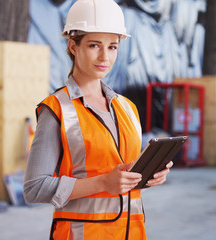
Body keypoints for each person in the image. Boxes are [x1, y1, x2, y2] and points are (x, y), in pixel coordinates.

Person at [23, 0, 173, 239]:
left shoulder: (127, 108)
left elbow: (122, 173)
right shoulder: (57, 109)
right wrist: (103, 183)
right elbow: (34, 188)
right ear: (73, 46)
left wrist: (149, 173)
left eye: (113, 46)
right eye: (94, 45)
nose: (105, 56)